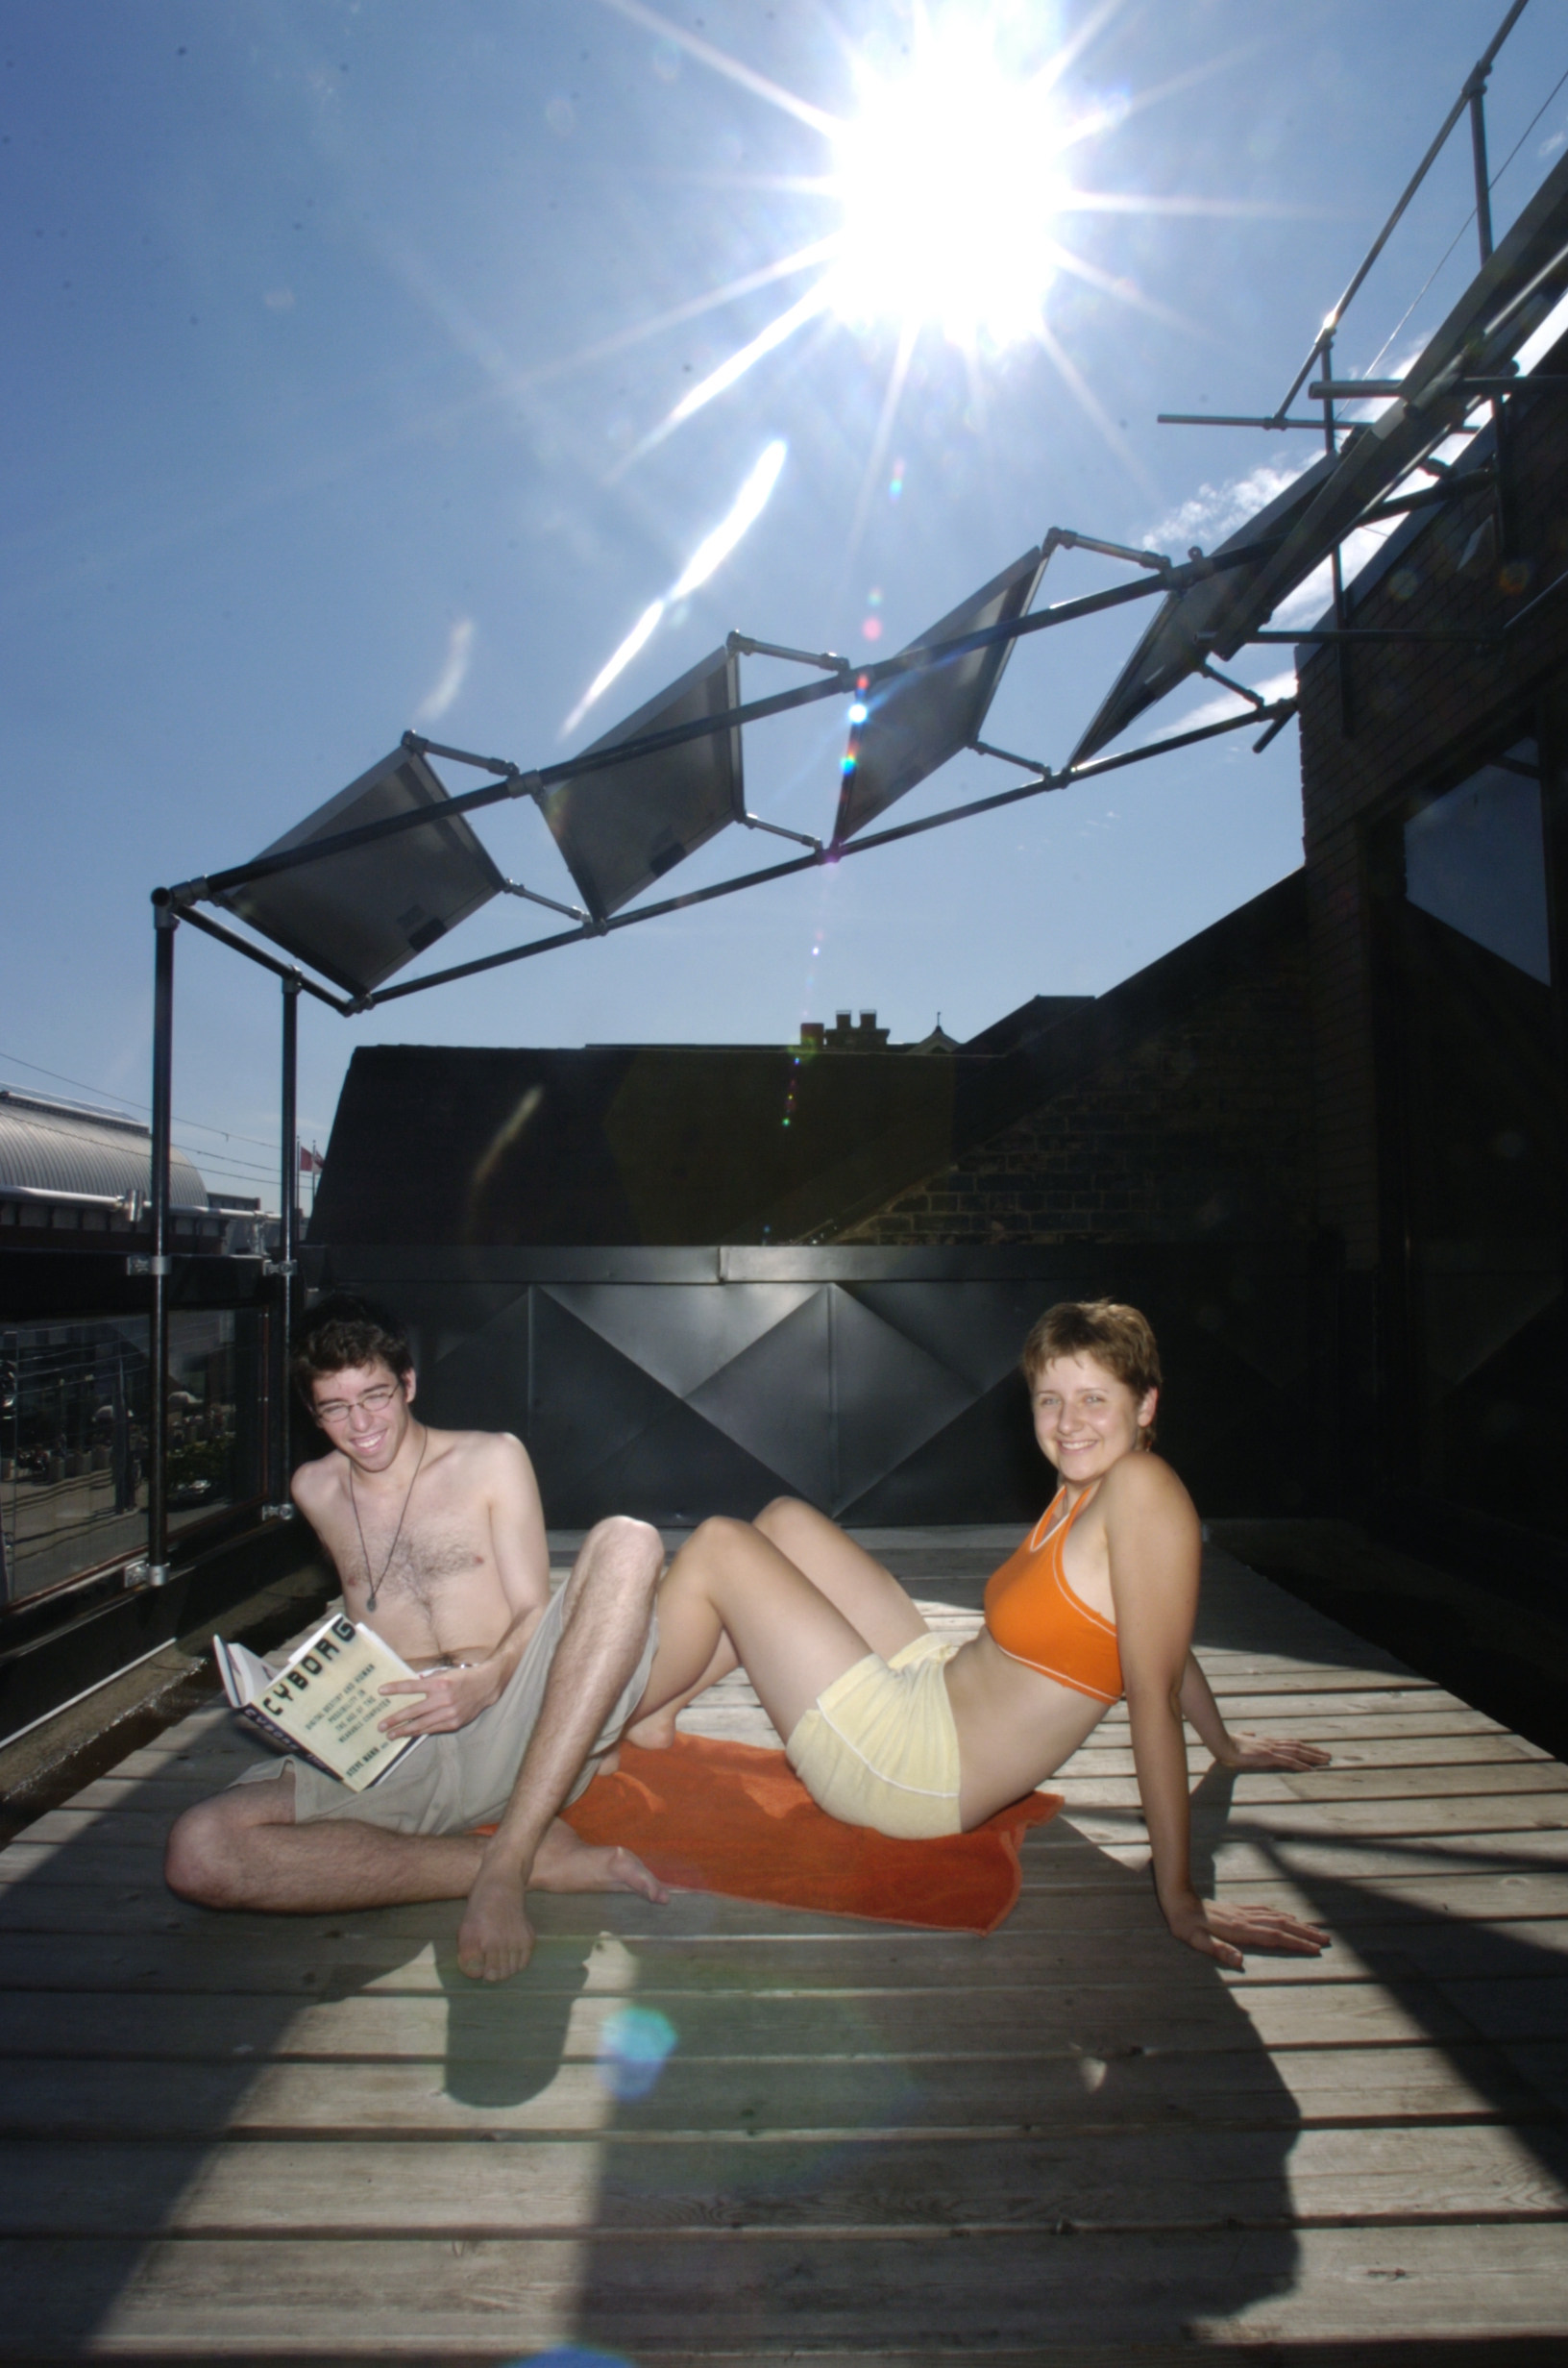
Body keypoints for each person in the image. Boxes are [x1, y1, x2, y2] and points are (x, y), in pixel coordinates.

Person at [625, 1298, 1331, 1968]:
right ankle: (656, 1711)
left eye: (1094, 1398)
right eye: (1049, 1400)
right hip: (936, 1681)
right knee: (783, 1523)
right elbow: (1160, 1636)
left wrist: (1178, 1896)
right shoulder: (1087, 1488)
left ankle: (595, 1724)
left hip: (913, 1768)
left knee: (720, 1545)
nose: (1068, 1422)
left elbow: (1154, 1690)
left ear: (1145, 1405)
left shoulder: (1140, 1484)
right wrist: (1224, 1744)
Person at [165, 1295, 668, 1983]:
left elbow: (532, 1608)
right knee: (199, 1851)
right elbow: (366, 1613)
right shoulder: (314, 1488)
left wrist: (486, 1679)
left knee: (629, 1542)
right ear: (313, 1413)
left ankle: (510, 1857)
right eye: (335, 1409)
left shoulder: (491, 1459)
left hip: (512, 1716)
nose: (360, 1425)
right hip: (397, 1739)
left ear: (407, 1383)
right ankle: (515, 1861)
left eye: (374, 1396)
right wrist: (307, 1699)